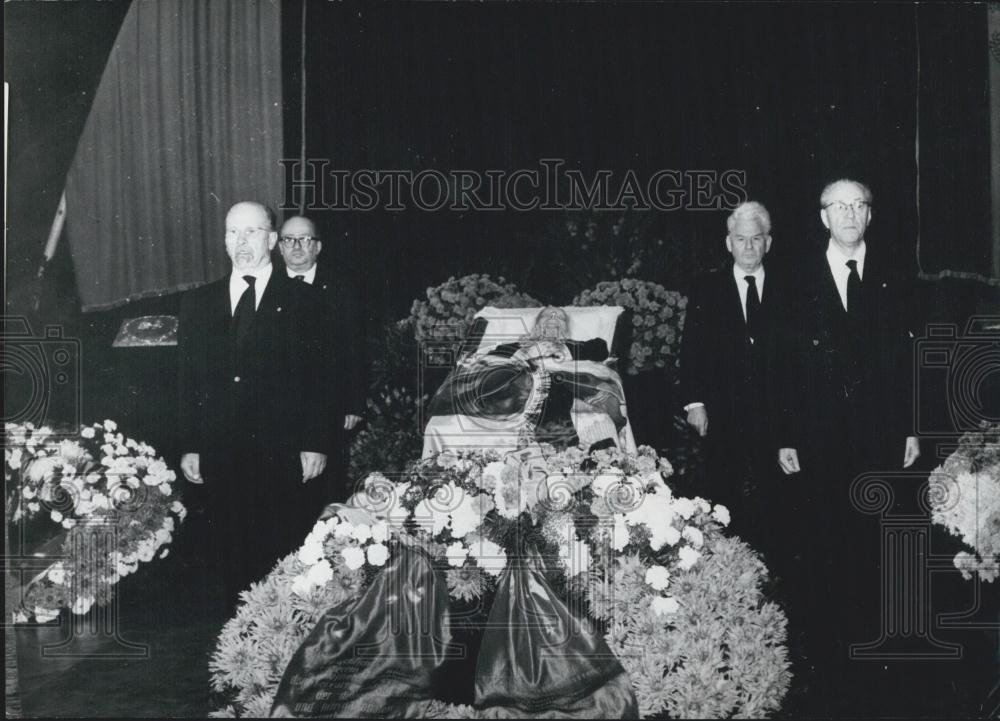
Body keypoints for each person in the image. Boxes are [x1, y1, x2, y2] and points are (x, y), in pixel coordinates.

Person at [775, 179, 921, 715]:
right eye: (839, 206)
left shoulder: (896, 276)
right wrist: (785, 434)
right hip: (817, 436)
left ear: (870, 215)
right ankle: (827, 651)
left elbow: (908, 358)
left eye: (858, 205)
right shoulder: (793, 279)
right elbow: (781, 364)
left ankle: (877, 649)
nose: (849, 214)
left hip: (880, 432)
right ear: (822, 217)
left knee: (877, 536)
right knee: (823, 537)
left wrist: (910, 427)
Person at [177, 201, 331, 608]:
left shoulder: (304, 301)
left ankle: (283, 647)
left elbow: (319, 378)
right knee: (230, 555)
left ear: (272, 239)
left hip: (281, 450)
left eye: (251, 232)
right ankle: (238, 646)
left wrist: (315, 441)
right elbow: (189, 381)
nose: (240, 242)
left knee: (283, 552)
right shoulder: (198, 304)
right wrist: (191, 444)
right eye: (232, 232)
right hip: (222, 450)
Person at [678, 201, 788, 549]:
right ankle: (729, 559)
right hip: (724, 411)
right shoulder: (706, 288)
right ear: (729, 243)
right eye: (741, 239)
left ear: (768, 242)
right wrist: (695, 403)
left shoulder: (791, 288)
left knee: (780, 497)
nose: (749, 247)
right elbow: (691, 349)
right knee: (724, 494)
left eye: (757, 239)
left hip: (779, 413)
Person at [277, 215, 367, 499]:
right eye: (288, 240)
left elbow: (355, 348)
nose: (296, 247)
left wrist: (354, 401)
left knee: (325, 487)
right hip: (280, 406)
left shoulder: (343, 289)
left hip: (330, 404)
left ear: (318, 246)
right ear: (279, 248)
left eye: (305, 239)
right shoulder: (266, 289)